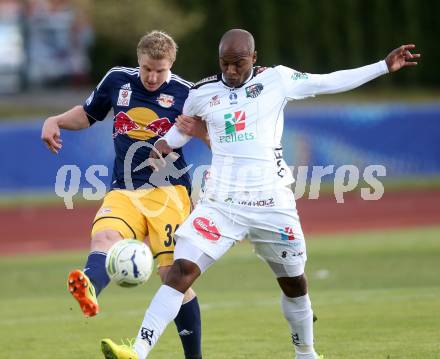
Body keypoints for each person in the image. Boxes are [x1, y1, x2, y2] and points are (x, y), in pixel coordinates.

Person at [100, 29, 420, 359]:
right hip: (221, 204)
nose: (231, 71)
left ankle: (306, 353)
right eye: (225, 64)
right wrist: (164, 145)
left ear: (254, 57)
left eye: (238, 63)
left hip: (272, 204)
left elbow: (328, 81)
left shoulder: (278, 80)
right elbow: (182, 129)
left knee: (294, 283)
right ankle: (137, 351)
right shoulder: (202, 92)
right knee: (181, 272)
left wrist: (382, 66)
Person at [41, 30, 204, 359]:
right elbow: (88, 114)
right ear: (138, 61)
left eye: (160, 70)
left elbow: (208, 132)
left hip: (169, 193)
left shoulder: (188, 93)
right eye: (147, 69)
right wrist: (55, 119)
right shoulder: (117, 80)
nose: (153, 76)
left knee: (171, 278)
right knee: (104, 238)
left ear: (171, 64)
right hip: (124, 189)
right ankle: (89, 287)